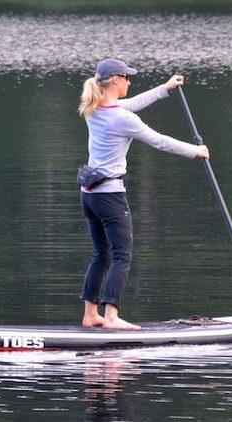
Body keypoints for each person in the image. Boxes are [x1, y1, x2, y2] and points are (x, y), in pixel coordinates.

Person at [78, 58, 210, 330]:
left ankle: (91, 315)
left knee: (100, 254)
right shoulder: (122, 118)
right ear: (115, 80)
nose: (130, 81)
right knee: (121, 256)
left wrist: (165, 88)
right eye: (126, 77)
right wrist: (195, 151)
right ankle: (112, 317)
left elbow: (132, 104)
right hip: (110, 196)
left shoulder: (94, 108)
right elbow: (159, 141)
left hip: (89, 195)